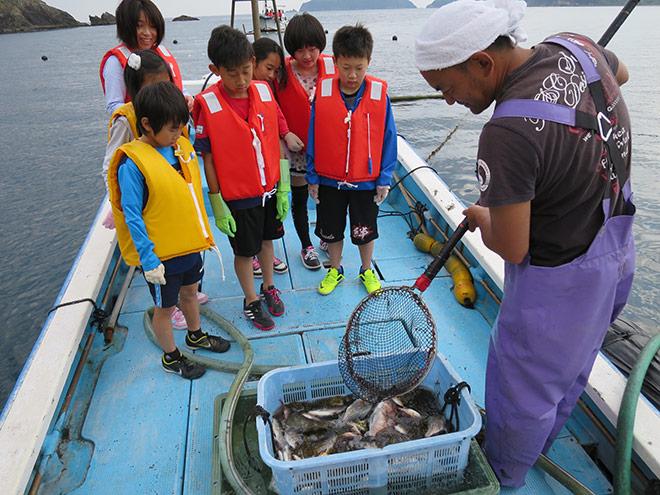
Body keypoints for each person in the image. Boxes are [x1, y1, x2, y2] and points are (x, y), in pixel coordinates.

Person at [415, 0, 635, 487]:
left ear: (483, 63)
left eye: (447, 87)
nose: (449, 101)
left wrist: (482, 214)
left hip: (561, 280)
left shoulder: (506, 133)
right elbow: (620, 72)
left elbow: (512, 248)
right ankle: (542, 441)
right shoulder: (575, 46)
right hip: (615, 247)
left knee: (524, 390)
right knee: (573, 369)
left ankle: (504, 470)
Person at [107, 81, 231, 379]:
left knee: (190, 294)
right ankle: (171, 355)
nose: (178, 135)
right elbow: (133, 216)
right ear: (147, 124)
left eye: (181, 127)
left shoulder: (178, 149)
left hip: (189, 247)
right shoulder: (133, 165)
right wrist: (148, 260)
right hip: (162, 258)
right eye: (173, 129)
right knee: (164, 309)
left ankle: (195, 334)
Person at [101, 49, 208, 329]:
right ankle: (169, 318)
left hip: (175, 217)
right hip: (148, 209)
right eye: (154, 87)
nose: (163, 91)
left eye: (167, 85)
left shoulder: (172, 123)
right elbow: (112, 163)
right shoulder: (128, 124)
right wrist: (118, 204)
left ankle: (189, 303)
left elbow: (187, 146)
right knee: (164, 288)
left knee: (187, 277)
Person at [193, 26, 289, 331]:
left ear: (253, 61)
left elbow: (275, 138)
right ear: (215, 70)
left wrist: (283, 184)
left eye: (246, 70)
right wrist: (216, 201)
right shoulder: (206, 105)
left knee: (268, 241)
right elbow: (207, 157)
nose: (241, 80)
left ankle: (269, 287)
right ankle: (250, 299)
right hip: (238, 197)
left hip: (269, 190)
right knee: (245, 252)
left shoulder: (263, 90)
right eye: (232, 73)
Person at [306, 24, 398, 295]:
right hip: (329, 179)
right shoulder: (321, 94)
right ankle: (335, 268)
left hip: (366, 181)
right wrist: (312, 177)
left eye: (359, 67)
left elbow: (389, 137)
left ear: (368, 61)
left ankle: (366, 268)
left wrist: (384, 178)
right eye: (346, 67)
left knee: (365, 230)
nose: (352, 74)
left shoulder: (380, 96)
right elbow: (313, 136)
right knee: (331, 230)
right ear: (335, 62)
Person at [276, 13, 336, 271]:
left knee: (326, 193)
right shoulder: (280, 73)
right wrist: (286, 132)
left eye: (312, 48)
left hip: (326, 146)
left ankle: (325, 233)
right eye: (300, 50)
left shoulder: (334, 68)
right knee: (300, 197)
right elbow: (271, 108)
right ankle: (305, 245)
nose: (307, 55)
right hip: (295, 148)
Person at [249, 37, 306, 278]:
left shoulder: (266, 89)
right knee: (249, 214)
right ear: (253, 62)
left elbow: (276, 112)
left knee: (269, 212)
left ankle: (266, 253)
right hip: (247, 166)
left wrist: (285, 133)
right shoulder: (240, 88)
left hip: (269, 163)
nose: (272, 75)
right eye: (268, 69)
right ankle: (252, 254)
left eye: (276, 70)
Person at [99, 0, 192, 115]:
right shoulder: (115, 62)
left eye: (153, 26)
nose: (147, 32)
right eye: (139, 26)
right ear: (125, 26)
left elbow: (178, 87)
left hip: (173, 128)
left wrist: (186, 96)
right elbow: (114, 105)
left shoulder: (162, 52)